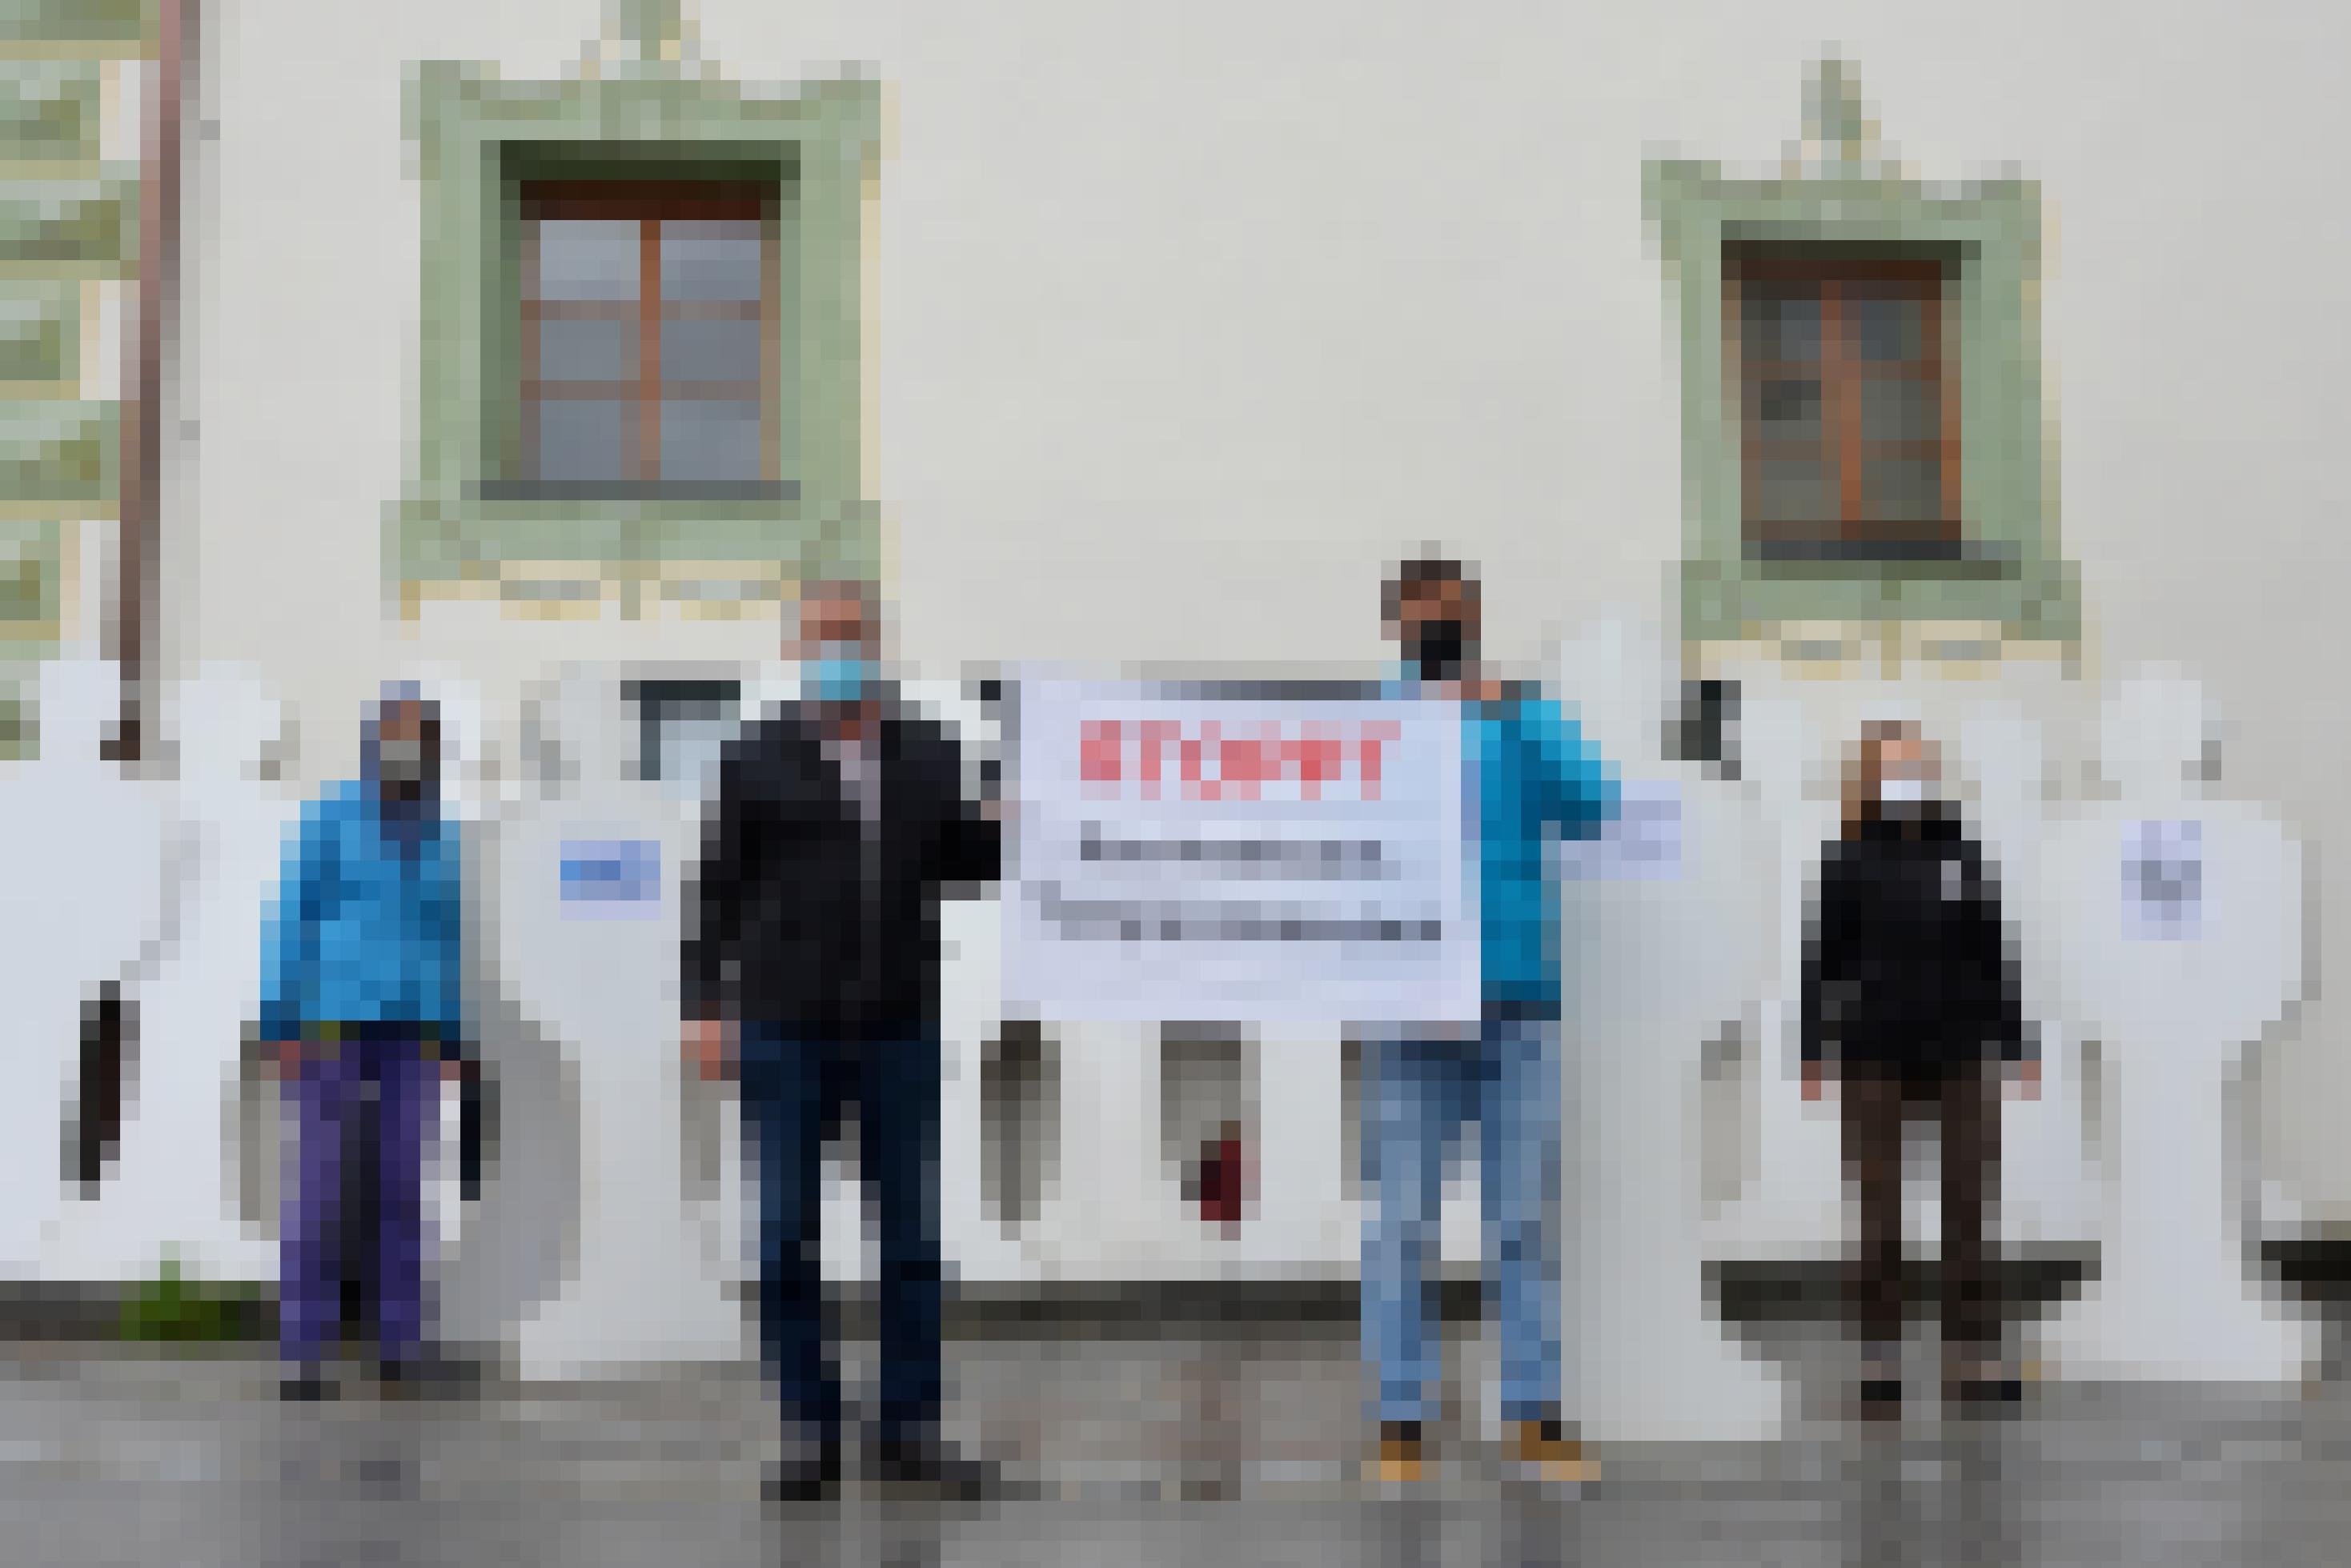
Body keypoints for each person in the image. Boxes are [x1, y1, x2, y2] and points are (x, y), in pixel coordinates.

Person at [684, 580, 1001, 1503]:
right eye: (823, 636)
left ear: (878, 643)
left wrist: (1016, 827)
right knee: (783, 1237)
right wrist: (705, 1004)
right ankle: (807, 1427)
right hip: (783, 1030)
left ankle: (907, 1427)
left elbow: (961, 866)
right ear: (797, 647)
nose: (839, 650)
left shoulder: (929, 752)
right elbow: (716, 892)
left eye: (853, 635)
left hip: (898, 1025)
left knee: (909, 1239)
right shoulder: (753, 759)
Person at [1362, 555, 1619, 1486]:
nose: (1438, 630)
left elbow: (1593, 806)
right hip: (1411, 999)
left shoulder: (1517, 713)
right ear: (1395, 627)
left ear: (1474, 619)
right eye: (1421, 618)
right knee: (1400, 1220)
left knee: (1518, 1218)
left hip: (1516, 993)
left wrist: (1522, 709)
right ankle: (1400, 1417)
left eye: (1453, 615)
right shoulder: (1371, 722)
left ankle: (1536, 1412)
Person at [1800, 720, 2036, 1417]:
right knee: (1878, 1209)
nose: (1909, 777)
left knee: (1970, 1201)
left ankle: (1972, 1351)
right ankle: (1878, 1353)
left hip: (1962, 1047)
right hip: (1872, 1048)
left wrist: (2014, 1043)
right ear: (1870, 778)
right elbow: (1824, 960)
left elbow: (1993, 952)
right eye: (1895, 766)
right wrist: (1814, 1046)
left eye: (1919, 765)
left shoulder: (1962, 853)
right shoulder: (1845, 858)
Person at [260, 684, 466, 1400]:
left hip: (412, 1029)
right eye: (395, 729)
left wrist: (450, 1032)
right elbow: (290, 917)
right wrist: (278, 1018)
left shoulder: (443, 829)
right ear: (373, 737)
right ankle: (302, 1348)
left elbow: (450, 938)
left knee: (403, 1182)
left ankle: (399, 1345)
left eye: (419, 732)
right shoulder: (331, 817)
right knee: (320, 1185)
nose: (406, 743)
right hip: (330, 1023)